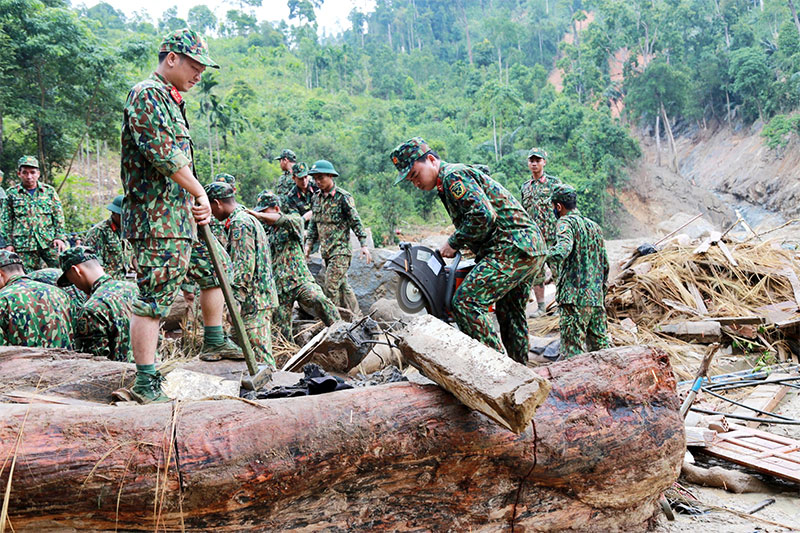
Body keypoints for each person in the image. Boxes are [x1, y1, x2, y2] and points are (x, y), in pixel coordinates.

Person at [121, 28, 240, 404]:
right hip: (156, 221)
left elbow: (179, 162)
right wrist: (199, 191)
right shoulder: (147, 95)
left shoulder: (172, 100)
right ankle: (145, 381)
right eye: (195, 65)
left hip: (179, 217)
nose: (200, 74)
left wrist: (194, 197)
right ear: (171, 58)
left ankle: (215, 341)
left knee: (214, 266)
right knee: (154, 298)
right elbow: (164, 156)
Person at [390, 137, 546, 364]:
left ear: (431, 160)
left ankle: (496, 370)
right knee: (510, 313)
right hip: (528, 247)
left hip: (511, 247)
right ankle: (521, 372)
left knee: (466, 302)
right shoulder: (448, 182)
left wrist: (454, 242)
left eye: (415, 174)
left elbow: (483, 215)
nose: (415, 183)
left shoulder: (453, 176)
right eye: (409, 180)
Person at [248, 190, 340, 341]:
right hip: (280, 288)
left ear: (276, 209)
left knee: (318, 299)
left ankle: (340, 329)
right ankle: (288, 356)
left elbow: (288, 220)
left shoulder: (292, 222)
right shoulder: (265, 231)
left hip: (300, 280)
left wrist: (258, 215)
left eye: (265, 211)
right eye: (260, 212)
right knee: (281, 332)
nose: (262, 216)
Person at [206, 182, 278, 365]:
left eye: (210, 207)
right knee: (240, 352)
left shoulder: (240, 223)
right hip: (257, 299)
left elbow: (244, 266)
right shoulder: (247, 217)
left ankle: (274, 391)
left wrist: (235, 301)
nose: (212, 213)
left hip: (254, 302)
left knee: (260, 357)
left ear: (217, 203)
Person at [547, 183, 611, 359]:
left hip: (574, 300)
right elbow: (605, 264)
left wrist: (541, 254)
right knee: (602, 351)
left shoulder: (565, 222)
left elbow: (562, 250)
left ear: (558, 206)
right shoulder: (594, 226)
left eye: (554, 206)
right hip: (596, 299)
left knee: (573, 354)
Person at [305, 159, 371, 313]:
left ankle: (333, 322)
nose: (318, 181)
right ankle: (357, 316)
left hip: (340, 251)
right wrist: (308, 245)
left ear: (330, 176)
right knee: (343, 285)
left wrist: (364, 245)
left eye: (321, 177)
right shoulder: (316, 198)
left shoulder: (343, 197)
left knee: (330, 287)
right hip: (326, 251)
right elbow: (314, 223)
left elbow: (355, 221)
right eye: (315, 178)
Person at [57, 246, 138, 362]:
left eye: (72, 281)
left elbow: (94, 361)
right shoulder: (135, 289)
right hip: (151, 372)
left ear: (76, 271)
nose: (75, 286)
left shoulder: (92, 309)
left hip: (120, 377)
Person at [1, 156, 68, 272]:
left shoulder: (49, 191)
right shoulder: (11, 194)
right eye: (25, 173)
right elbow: (5, 220)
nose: (29, 176)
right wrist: (8, 244)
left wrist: (60, 237)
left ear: (38, 173)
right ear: (19, 174)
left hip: (49, 241)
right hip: (24, 245)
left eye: (32, 172)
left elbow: (58, 216)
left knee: (63, 270)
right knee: (28, 276)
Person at [0, 250, 73, 348]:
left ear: (0, 274)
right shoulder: (61, 294)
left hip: (24, 362)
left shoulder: (3, 299)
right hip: (66, 361)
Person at [520, 148, 562, 317]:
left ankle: (561, 305)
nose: (534, 163)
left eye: (538, 160)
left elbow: (563, 207)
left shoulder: (554, 183)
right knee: (537, 274)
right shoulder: (525, 187)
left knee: (558, 271)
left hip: (552, 237)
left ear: (544, 162)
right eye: (532, 160)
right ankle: (541, 308)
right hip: (534, 239)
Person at [83, 195, 134, 280]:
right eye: (124, 216)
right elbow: (93, 266)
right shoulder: (99, 232)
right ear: (114, 213)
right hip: (107, 284)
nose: (127, 219)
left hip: (126, 281)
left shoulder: (127, 231)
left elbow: (132, 257)